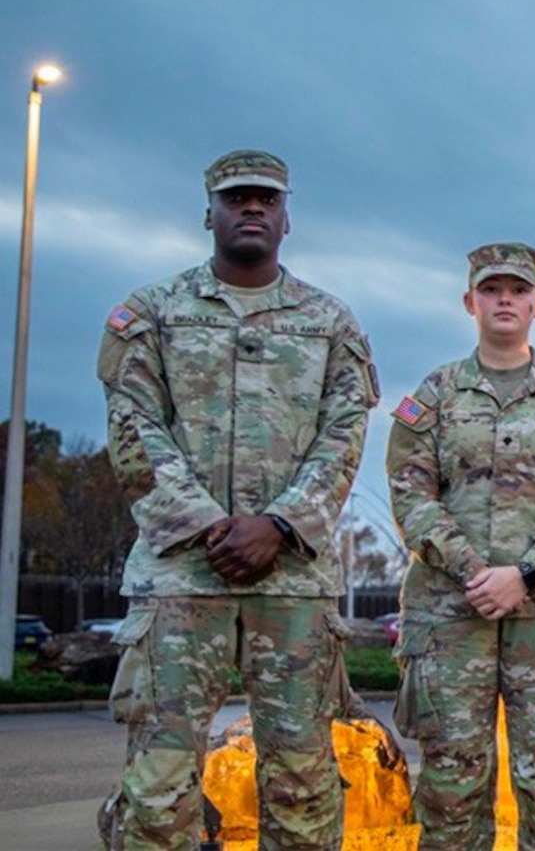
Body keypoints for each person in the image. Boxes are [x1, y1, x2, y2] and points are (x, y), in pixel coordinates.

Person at [97, 149, 379, 850]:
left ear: (286, 218)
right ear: (209, 213)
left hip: (293, 584)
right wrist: (207, 527)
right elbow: (134, 428)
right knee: (159, 788)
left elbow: (345, 434)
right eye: (235, 197)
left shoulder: (329, 321)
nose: (252, 207)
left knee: (303, 783)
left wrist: (280, 524)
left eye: (267, 199)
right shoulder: (152, 313)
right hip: (180, 580)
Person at [386, 242, 535, 850]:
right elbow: (411, 496)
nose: (504, 300)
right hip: (449, 616)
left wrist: (527, 574)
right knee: (451, 787)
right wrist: (473, 571)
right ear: (470, 302)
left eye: (517, 290)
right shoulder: (434, 396)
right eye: (491, 289)